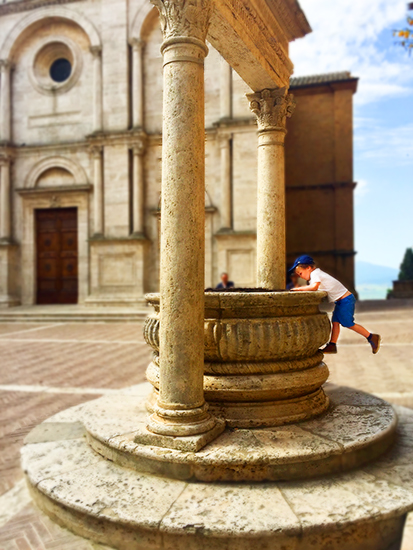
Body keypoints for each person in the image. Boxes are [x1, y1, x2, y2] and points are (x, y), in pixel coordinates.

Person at [288, 255, 381, 354]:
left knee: (348, 323)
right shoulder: (315, 275)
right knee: (335, 322)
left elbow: (314, 287)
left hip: (346, 300)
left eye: (300, 273)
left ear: (309, 268)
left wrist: (297, 289)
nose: (300, 276)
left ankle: (371, 337)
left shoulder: (315, 274)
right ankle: (332, 345)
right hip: (341, 301)